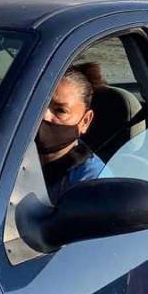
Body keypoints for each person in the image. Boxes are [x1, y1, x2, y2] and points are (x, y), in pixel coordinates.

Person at [39, 67, 104, 203]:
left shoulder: (92, 181)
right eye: (39, 105)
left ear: (85, 121)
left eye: (60, 111)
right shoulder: (8, 153)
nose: (44, 116)